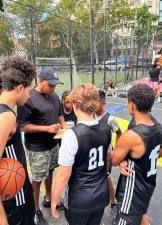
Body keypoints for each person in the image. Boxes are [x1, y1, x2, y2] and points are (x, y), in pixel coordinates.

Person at [51, 83, 112, 225]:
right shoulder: (106, 129)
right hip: (101, 194)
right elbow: (108, 159)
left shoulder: (72, 135)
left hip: (78, 199)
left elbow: (63, 175)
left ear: (75, 104)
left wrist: (54, 199)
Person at [17, 67, 66, 225]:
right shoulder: (28, 98)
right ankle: (35, 210)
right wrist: (46, 128)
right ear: (41, 81)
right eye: (50, 85)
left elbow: (60, 114)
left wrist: (64, 128)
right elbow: (23, 126)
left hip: (53, 144)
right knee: (37, 179)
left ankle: (48, 198)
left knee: (51, 171)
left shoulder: (54, 96)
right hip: (37, 147)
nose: (53, 88)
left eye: (55, 85)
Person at [111, 84, 162, 225]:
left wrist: (118, 133)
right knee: (142, 216)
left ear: (132, 105)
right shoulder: (158, 127)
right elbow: (158, 152)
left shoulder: (131, 136)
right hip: (148, 184)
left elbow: (114, 160)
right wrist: (130, 159)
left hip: (132, 192)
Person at [0, 56, 36, 225]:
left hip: (15, 194)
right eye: (29, 91)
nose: (29, 97)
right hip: (15, 197)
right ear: (20, 88)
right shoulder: (6, 116)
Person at [95, 90, 122, 219]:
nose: (94, 104)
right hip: (94, 154)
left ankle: (113, 203)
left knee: (107, 178)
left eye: (97, 101)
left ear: (103, 102)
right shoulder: (90, 116)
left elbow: (120, 134)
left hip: (106, 156)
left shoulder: (110, 118)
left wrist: (116, 150)